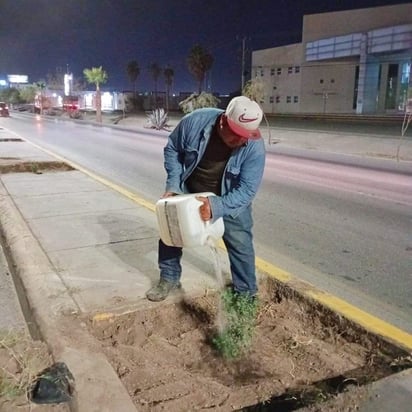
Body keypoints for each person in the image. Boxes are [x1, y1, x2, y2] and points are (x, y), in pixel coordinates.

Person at [146, 95, 266, 302]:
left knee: (240, 242)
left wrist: (216, 205)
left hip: (230, 198)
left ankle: (246, 293)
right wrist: (174, 185)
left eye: (248, 136)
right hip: (191, 188)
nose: (242, 141)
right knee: (171, 231)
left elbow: (247, 190)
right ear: (223, 122)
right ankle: (169, 278)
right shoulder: (196, 122)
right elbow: (172, 148)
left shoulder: (254, 148)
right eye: (237, 135)